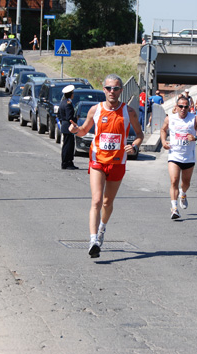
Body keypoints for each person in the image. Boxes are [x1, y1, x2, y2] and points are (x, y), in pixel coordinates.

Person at [69, 74, 144, 258]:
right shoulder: (95, 110)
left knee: (107, 202)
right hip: (97, 160)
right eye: (109, 88)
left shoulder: (129, 112)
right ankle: (93, 240)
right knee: (96, 200)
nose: (112, 91)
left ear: (121, 91)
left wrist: (134, 146)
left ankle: (102, 228)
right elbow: (84, 131)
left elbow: (140, 135)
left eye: (116, 88)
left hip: (118, 162)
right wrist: (74, 130)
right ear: (104, 90)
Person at [161, 95, 197, 220]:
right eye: (181, 106)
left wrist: (196, 137)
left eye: (186, 107)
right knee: (174, 181)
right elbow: (163, 129)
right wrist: (163, 142)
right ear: (176, 107)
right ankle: (174, 208)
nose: (183, 109)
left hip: (188, 157)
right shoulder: (170, 118)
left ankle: (183, 194)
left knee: (185, 183)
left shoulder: (194, 119)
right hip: (174, 155)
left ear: (189, 107)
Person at [58, 85, 78, 170]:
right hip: (68, 127)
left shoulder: (62, 102)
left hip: (65, 126)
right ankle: (67, 162)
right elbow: (69, 117)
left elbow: (59, 115)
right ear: (71, 94)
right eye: (72, 93)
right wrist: (75, 120)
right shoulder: (68, 104)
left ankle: (67, 162)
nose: (73, 95)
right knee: (68, 146)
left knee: (68, 145)